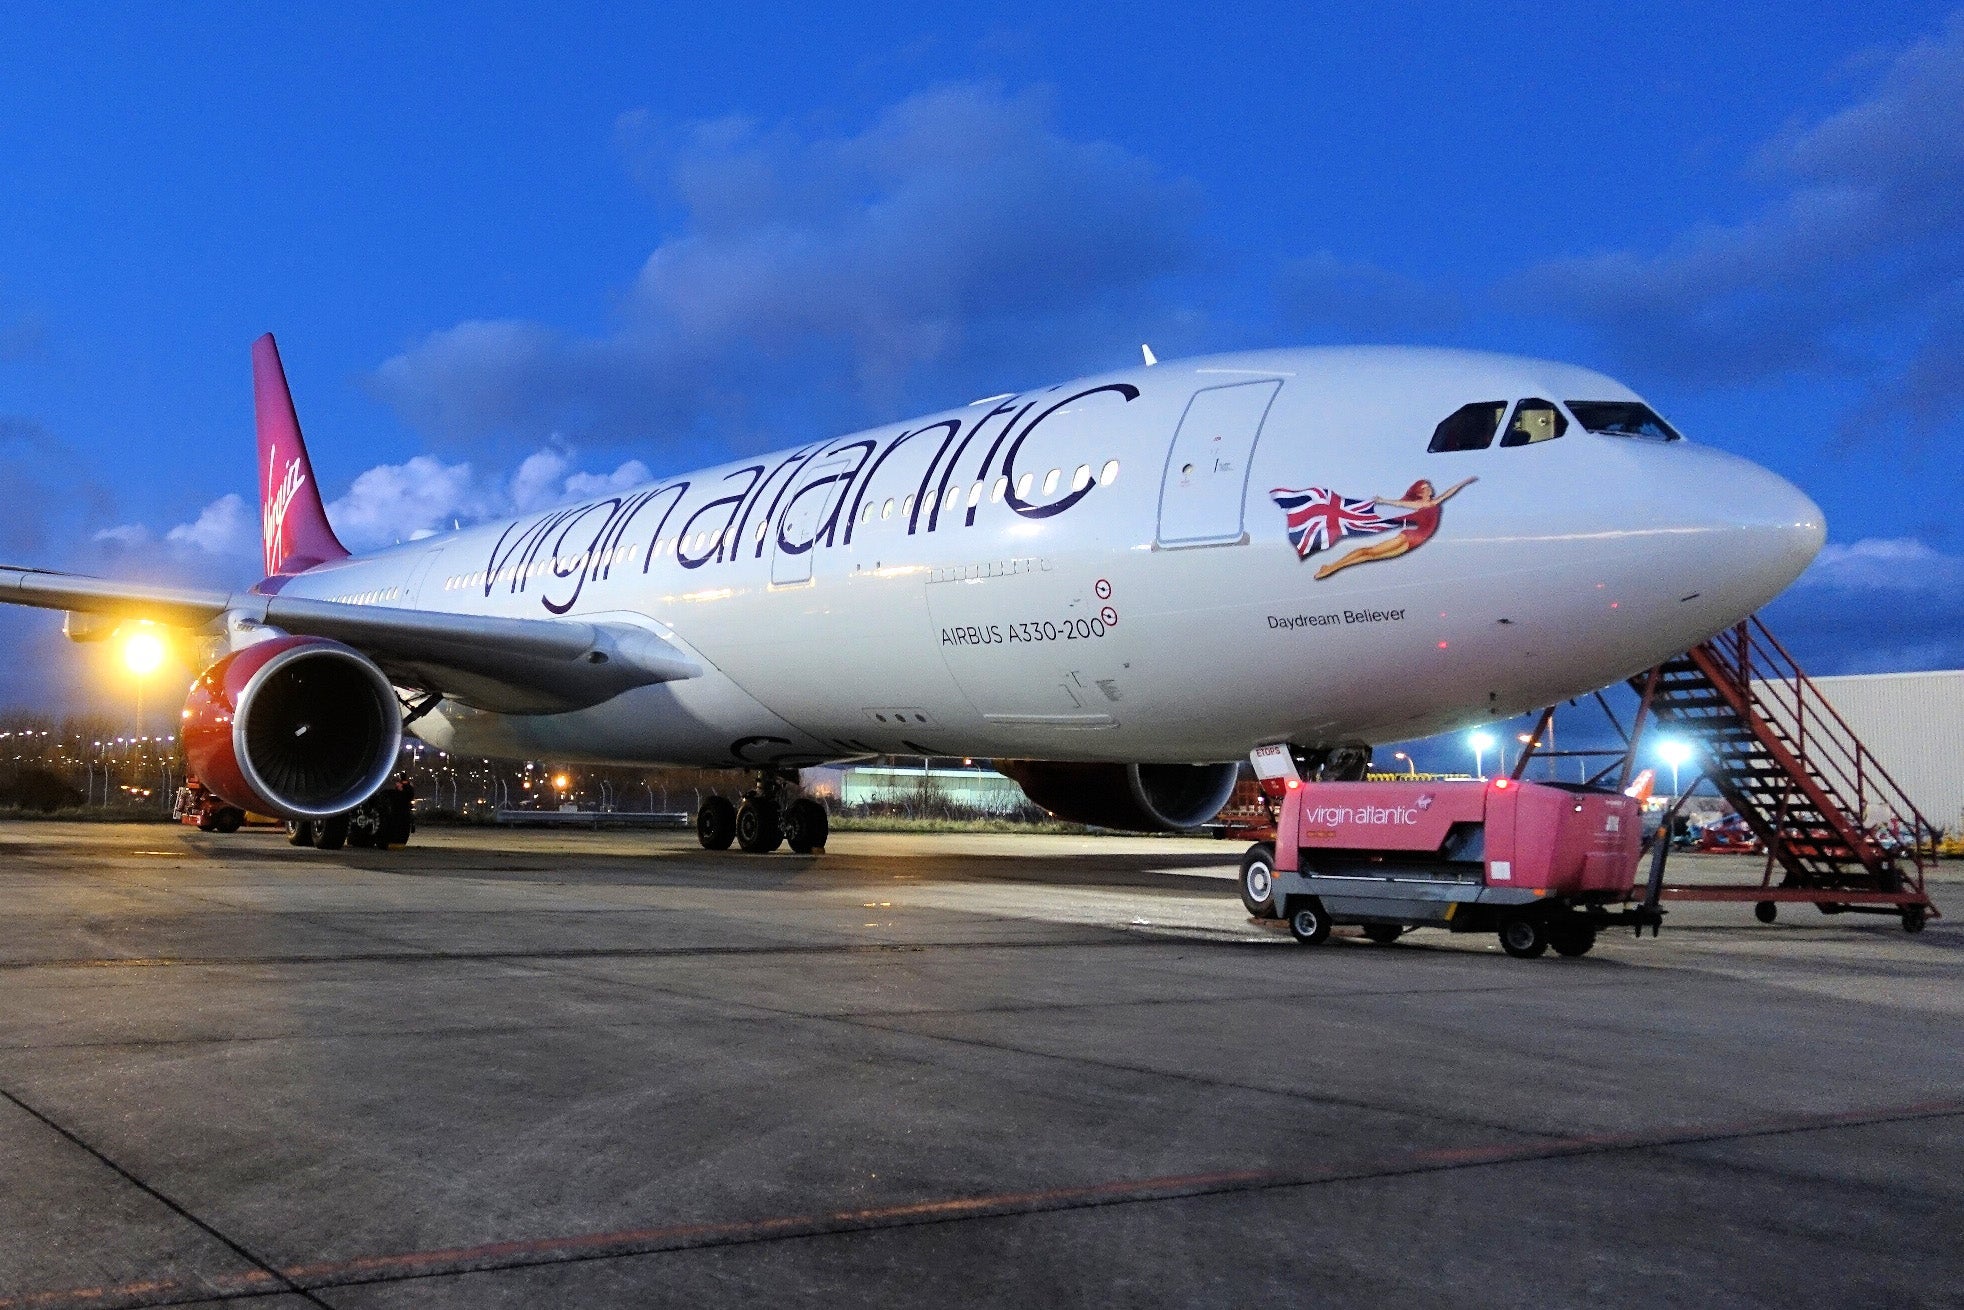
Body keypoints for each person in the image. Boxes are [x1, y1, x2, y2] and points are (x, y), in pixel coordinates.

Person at [1313, 476, 1476, 580]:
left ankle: (1332, 568)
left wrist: (1463, 482)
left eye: (1428, 486)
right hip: (1411, 536)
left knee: (1371, 556)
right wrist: (1383, 500)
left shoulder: (1434, 502)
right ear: (1420, 492)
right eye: (1425, 487)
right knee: (1368, 551)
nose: (1429, 488)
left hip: (1416, 541)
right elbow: (1398, 503)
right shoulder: (1418, 504)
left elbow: (1449, 492)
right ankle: (1331, 567)